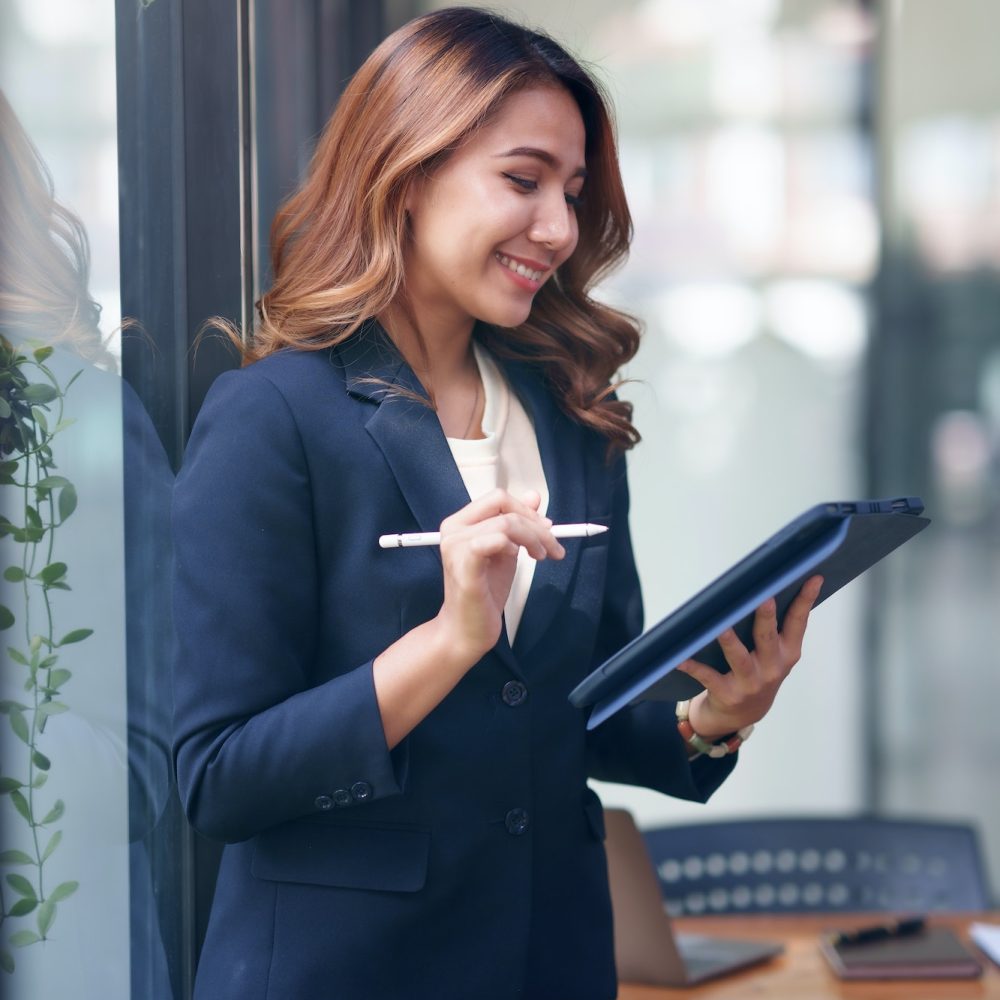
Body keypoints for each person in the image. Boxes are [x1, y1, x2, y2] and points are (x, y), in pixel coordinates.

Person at [171, 8, 822, 999]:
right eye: (522, 181)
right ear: (406, 169)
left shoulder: (570, 415)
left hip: (550, 959)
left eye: (568, 191)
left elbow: (581, 713)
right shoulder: (271, 419)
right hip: (340, 975)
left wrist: (710, 716)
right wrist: (445, 641)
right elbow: (219, 777)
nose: (559, 228)